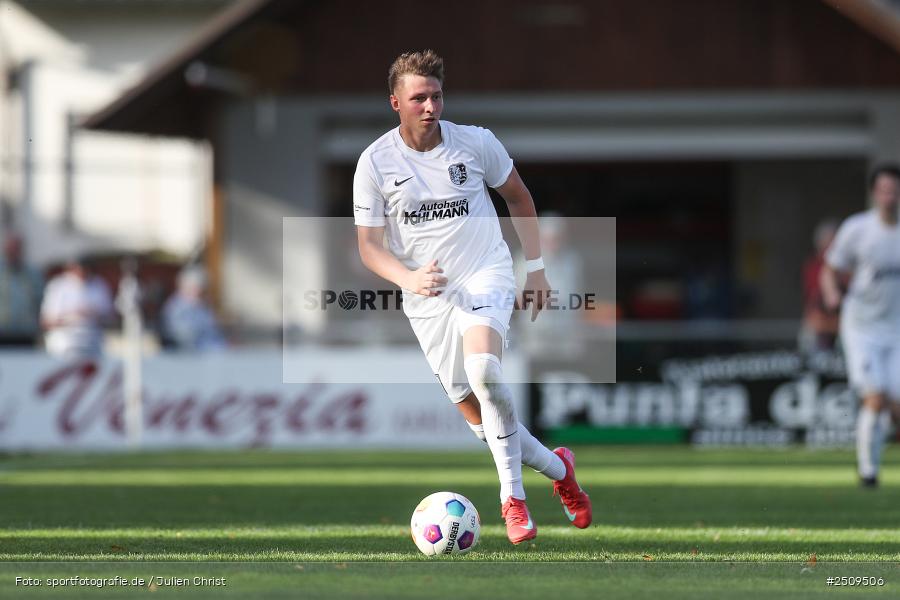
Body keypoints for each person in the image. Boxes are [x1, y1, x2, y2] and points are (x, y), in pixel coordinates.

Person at [353, 50, 591, 544]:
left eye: (436, 96)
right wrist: (409, 279)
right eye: (418, 98)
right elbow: (370, 248)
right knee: (482, 422)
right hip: (429, 298)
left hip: (486, 272)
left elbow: (520, 198)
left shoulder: (476, 143)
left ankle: (514, 500)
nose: (429, 106)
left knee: (486, 371)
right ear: (395, 102)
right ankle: (560, 469)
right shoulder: (375, 163)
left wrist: (538, 271)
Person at [821, 163, 900, 488]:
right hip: (862, 328)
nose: (889, 196)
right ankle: (868, 471)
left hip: (896, 331)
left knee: (894, 403)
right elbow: (830, 267)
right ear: (874, 193)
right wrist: (831, 293)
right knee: (874, 398)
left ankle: (875, 452)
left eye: (894, 190)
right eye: (884, 190)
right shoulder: (858, 228)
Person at [40, 257, 114, 358]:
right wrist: (72, 317)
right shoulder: (58, 286)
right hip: (64, 344)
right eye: (79, 269)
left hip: (93, 342)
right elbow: (46, 321)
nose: (83, 273)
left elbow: (110, 317)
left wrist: (92, 314)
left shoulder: (99, 285)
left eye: (86, 269)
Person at [161, 266, 226, 351]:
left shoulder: (201, 305)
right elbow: (183, 336)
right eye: (196, 287)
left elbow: (213, 331)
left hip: (213, 351)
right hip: (191, 356)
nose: (199, 291)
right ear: (183, 287)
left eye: (201, 288)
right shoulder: (176, 308)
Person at [799, 220, 839, 354]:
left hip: (839, 329)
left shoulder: (845, 270)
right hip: (818, 329)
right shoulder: (813, 267)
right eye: (830, 243)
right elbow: (814, 305)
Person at [0, 232, 44, 347]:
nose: (13, 252)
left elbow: (40, 301)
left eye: (16, 248)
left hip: (26, 333)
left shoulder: (33, 273)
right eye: (10, 248)